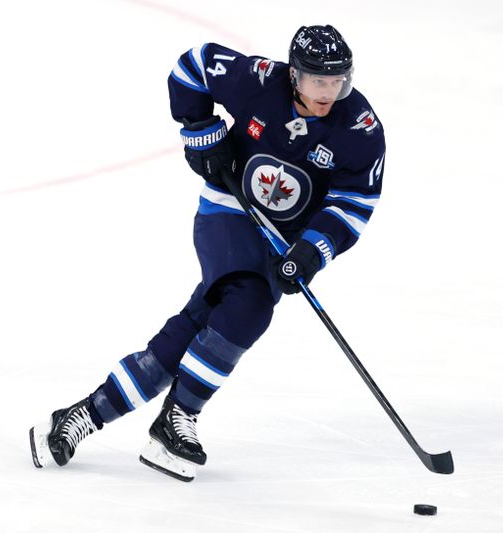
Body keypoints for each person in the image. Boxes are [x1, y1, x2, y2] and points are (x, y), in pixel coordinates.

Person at [29, 24, 386, 482]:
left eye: (338, 81)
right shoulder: (258, 80)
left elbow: (354, 202)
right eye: (319, 81)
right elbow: (193, 66)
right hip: (228, 209)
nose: (329, 92)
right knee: (250, 304)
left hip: (280, 239)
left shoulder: (360, 126)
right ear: (295, 75)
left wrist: (313, 251)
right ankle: (178, 419)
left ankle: (81, 417)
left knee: (198, 324)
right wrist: (199, 128)